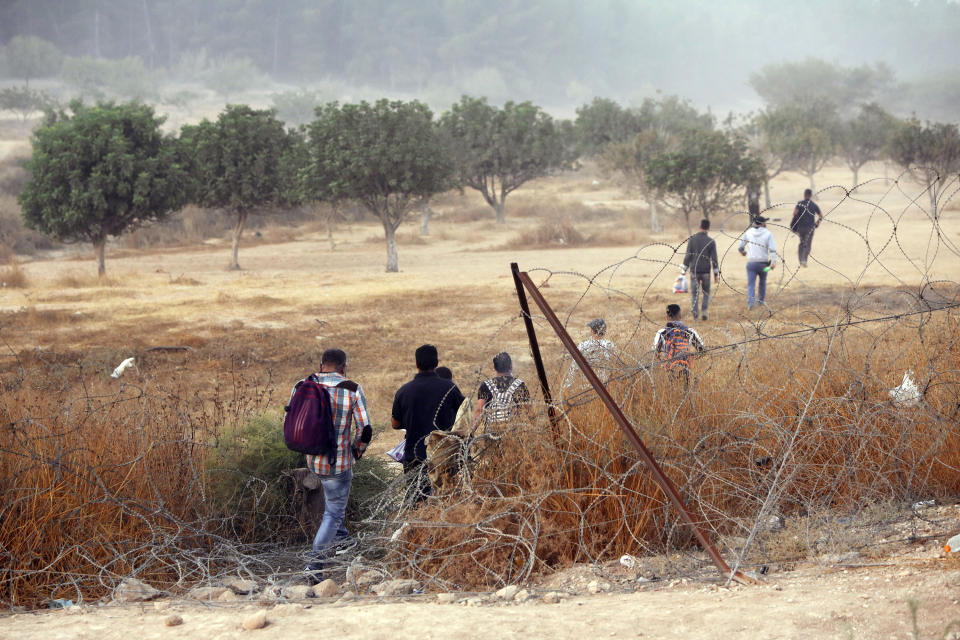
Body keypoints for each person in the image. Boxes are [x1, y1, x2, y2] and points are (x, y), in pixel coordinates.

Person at [302, 348, 372, 583]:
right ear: (344, 367)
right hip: (338, 463)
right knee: (333, 511)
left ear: (321, 365)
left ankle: (343, 540)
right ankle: (314, 566)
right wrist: (356, 453)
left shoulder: (303, 384)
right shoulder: (351, 388)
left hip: (312, 460)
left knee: (334, 505)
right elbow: (365, 429)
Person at [392, 344, 465, 503]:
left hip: (415, 455)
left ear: (417, 364)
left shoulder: (404, 391)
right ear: (437, 363)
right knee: (446, 501)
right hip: (444, 455)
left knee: (416, 503)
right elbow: (464, 413)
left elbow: (395, 424)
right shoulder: (449, 388)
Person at [473, 352, 531, 427]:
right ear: (511, 366)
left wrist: (470, 434)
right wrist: (536, 429)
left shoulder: (486, 385)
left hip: (491, 431)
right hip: (512, 432)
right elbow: (529, 410)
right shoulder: (519, 385)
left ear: (494, 367)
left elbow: (479, 411)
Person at [653, 304, 705, 385]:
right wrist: (691, 356)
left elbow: (654, 353)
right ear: (680, 315)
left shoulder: (662, 333)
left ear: (667, 317)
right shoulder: (689, 331)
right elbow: (702, 350)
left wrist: (662, 361)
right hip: (686, 369)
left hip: (668, 369)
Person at [681, 218, 720, 321]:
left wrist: (683, 270)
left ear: (700, 226)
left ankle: (695, 315)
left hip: (694, 271)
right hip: (706, 271)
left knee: (695, 294)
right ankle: (704, 311)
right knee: (706, 293)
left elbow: (688, 256)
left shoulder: (692, 240)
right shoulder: (711, 241)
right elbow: (714, 259)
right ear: (708, 228)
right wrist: (716, 274)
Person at [564, 318, 618, 389]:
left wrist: (567, 386)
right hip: (606, 384)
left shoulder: (583, 346)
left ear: (592, 331)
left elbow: (574, 368)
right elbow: (616, 365)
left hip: (586, 385)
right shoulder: (611, 345)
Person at [738, 215, 777, 310]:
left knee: (751, 284)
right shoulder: (768, 234)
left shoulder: (748, 232)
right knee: (762, 282)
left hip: (751, 263)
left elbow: (740, 247)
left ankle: (750, 303)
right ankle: (761, 301)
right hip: (763, 264)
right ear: (763, 223)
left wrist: (743, 253)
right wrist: (773, 262)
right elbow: (772, 249)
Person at [789, 188, 823, 267]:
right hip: (810, 228)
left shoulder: (800, 203)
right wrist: (816, 223)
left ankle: (801, 260)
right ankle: (804, 260)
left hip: (800, 227)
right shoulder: (814, 205)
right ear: (811, 195)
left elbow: (794, 213)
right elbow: (821, 216)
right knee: (808, 244)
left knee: (801, 243)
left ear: (804, 195)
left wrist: (796, 221)